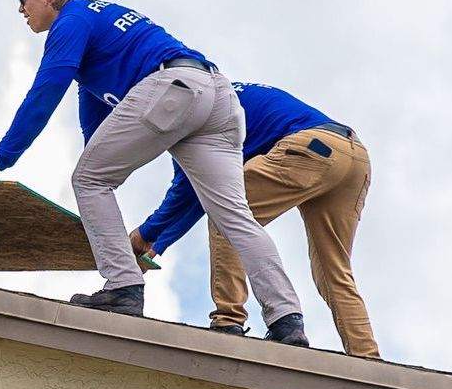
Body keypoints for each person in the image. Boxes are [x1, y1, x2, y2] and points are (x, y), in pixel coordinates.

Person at [0, 0, 308, 346]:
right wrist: (105, 175)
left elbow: (44, 92)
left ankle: (123, 287)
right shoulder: (100, 25)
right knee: (234, 217)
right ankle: (287, 321)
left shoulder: (71, 22)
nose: (20, 10)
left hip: (173, 89)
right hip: (218, 96)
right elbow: (96, 127)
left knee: (87, 179)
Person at [131, 82, 379, 357]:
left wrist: (145, 234)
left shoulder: (190, 114)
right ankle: (366, 356)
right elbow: (196, 190)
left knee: (228, 214)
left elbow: (187, 189)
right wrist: (159, 242)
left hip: (307, 147)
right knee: (333, 270)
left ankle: (229, 321)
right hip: (354, 158)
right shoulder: (221, 93)